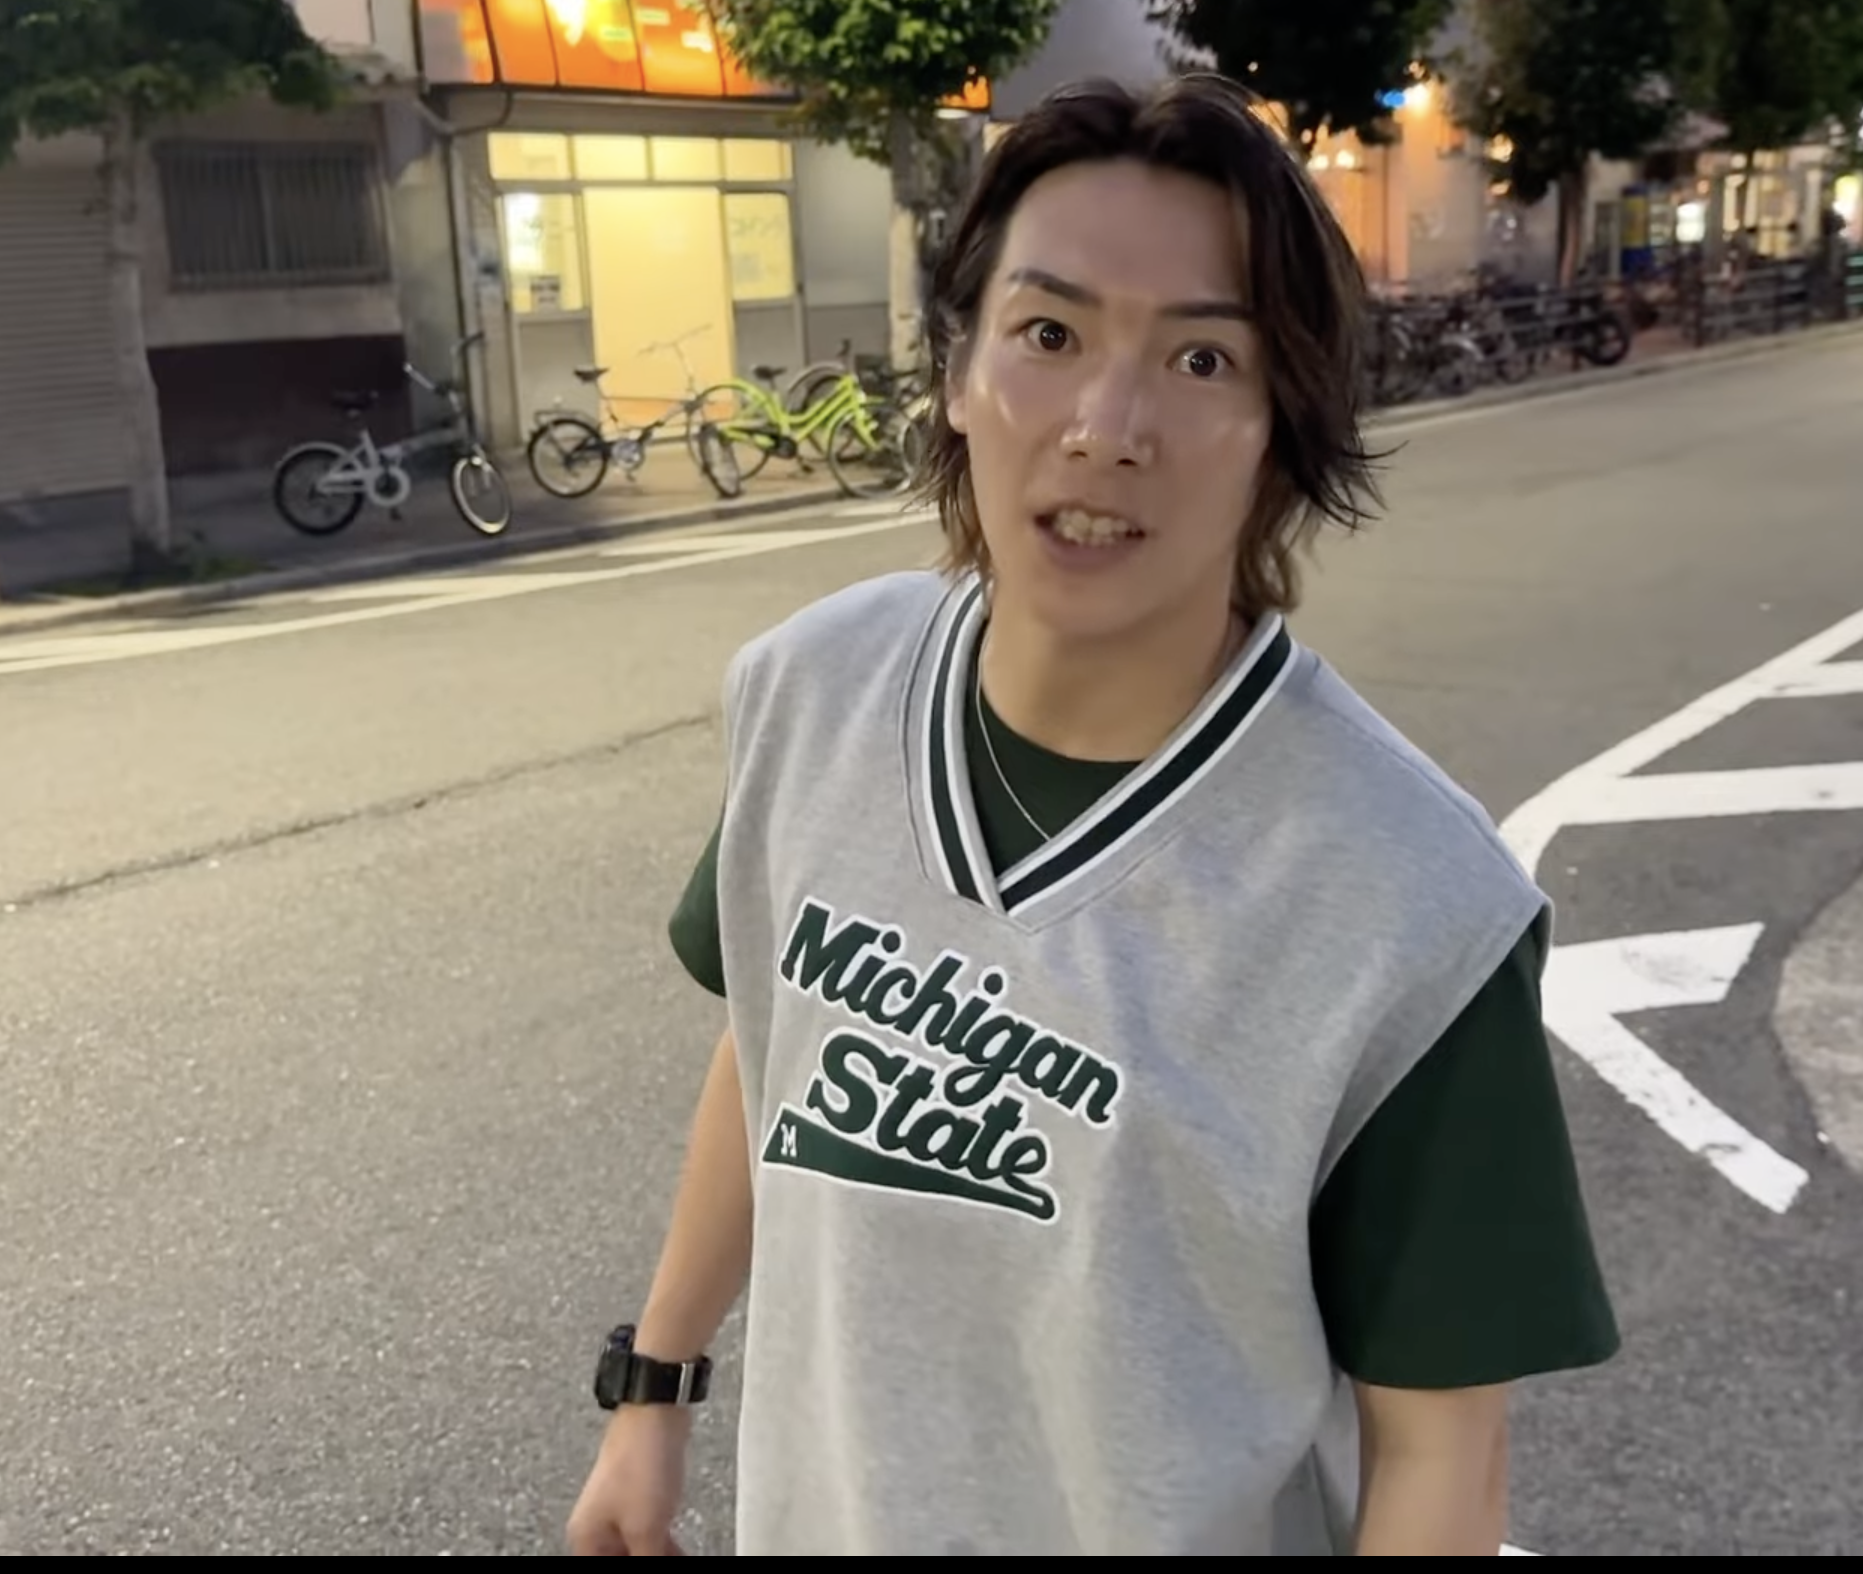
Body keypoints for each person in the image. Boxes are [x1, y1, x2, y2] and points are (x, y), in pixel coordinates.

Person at [565, 72, 1619, 1558]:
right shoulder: (813, 688)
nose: (1107, 426)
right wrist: (655, 1387)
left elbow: (1441, 1454)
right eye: (1050, 335)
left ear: (1280, 428)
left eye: (1201, 360)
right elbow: (775, 1033)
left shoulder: (1410, 903)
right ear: (958, 369)